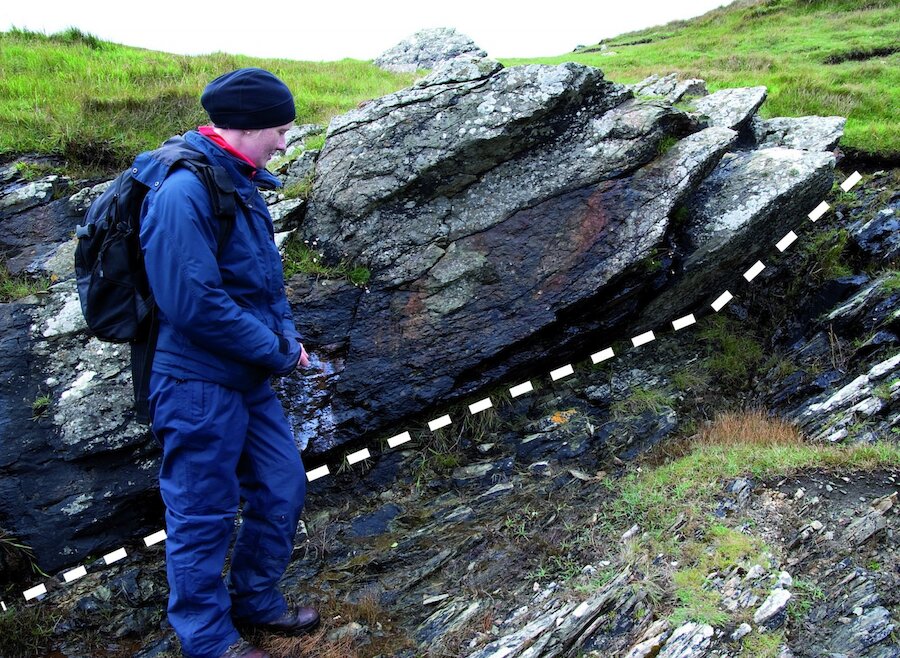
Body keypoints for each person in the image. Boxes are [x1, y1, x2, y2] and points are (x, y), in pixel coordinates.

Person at [138, 68, 319, 658]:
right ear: (250, 126)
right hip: (194, 383)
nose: (285, 143)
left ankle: (256, 600)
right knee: (202, 513)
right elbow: (192, 303)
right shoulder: (182, 191)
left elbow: (264, 285)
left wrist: (285, 339)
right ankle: (209, 640)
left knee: (282, 486)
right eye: (281, 130)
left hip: (245, 377)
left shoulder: (237, 181)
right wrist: (278, 351)